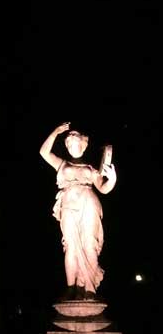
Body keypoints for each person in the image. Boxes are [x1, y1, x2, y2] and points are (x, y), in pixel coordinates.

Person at [39, 122, 117, 300]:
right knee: (71, 247)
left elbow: (103, 188)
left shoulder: (91, 169)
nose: (73, 148)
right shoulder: (62, 164)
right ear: (67, 147)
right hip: (68, 205)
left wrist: (112, 179)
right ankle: (71, 288)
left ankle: (89, 289)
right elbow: (44, 152)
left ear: (83, 146)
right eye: (69, 145)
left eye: (77, 144)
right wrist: (56, 131)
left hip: (89, 204)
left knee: (89, 244)